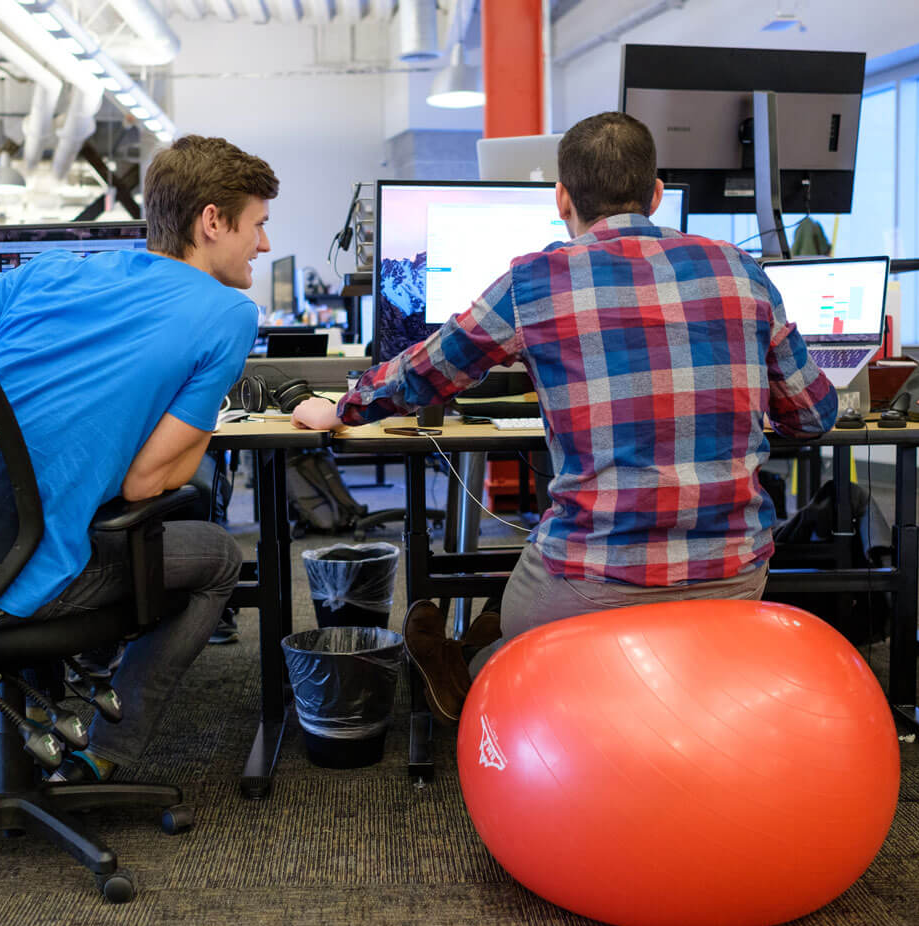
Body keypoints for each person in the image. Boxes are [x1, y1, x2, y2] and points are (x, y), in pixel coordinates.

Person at [291, 112, 838, 723]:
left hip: (595, 579)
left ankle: (468, 673)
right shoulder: (743, 268)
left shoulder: (535, 281)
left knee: (518, 611)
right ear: (657, 194)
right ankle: (514, 655)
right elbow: (814, 417)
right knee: (528, 612)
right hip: (735, 579)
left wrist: (340, 407)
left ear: (561, 198)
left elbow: (424, 372)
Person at [0, 135, 277, 780]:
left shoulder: (52, 271)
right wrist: (196, 417)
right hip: (17, 584)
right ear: (212, 221)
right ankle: (103, 752)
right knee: (217, 555)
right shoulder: (228, 312)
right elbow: (148, 480)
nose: (262, 244)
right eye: (258, 225)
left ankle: (51, 722)